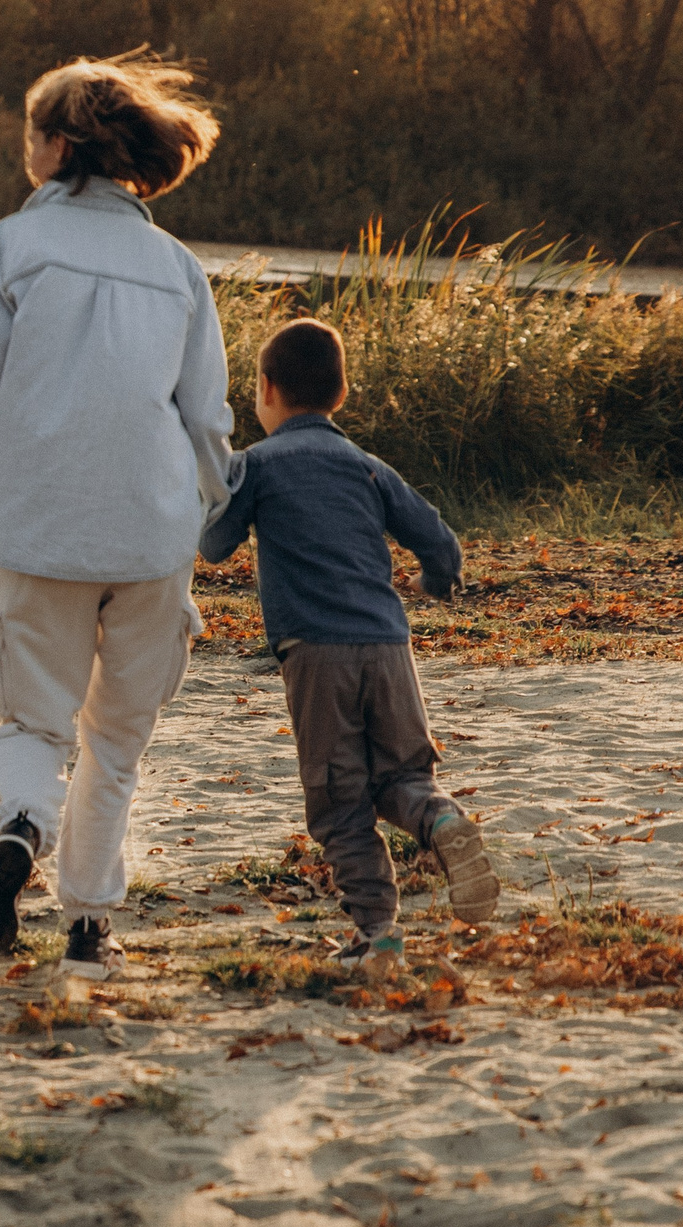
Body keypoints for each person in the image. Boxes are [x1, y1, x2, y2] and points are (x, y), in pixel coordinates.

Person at [0, 54, 233, 982]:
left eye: (27, 134)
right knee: (116, 741)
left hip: (42, 528)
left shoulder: (14, 245)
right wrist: (222, 512)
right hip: (153, 534)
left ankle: (21, 828)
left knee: (33, 725)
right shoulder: (178, 267)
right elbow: (207, 419)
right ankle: (88, 930)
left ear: (55, 146)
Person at [199, 318, 500, 977]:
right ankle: (439, 816)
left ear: (267, 390)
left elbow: (214, 544)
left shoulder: (256, 464)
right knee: (400, 778)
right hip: (390, 647)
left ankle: (378, 935)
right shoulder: (368, 466)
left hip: (316, 652)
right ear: (341, 392)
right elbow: (440, 541)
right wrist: (435, 582)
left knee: (340, 799)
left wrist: (213, 486)